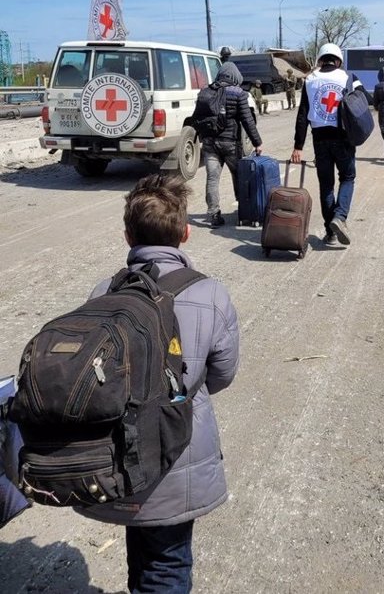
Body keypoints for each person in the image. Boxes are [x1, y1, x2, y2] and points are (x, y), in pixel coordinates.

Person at [77, 174, 240, 594]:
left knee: (141, 551)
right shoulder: (211, 294)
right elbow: (222, 373)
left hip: (116, 456)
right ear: (185, 234)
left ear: (128, 235)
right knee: (168, 563)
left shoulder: (103, 291)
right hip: (175, 452)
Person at [291, 42, 364, 246]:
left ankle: (330, 233)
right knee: (348, 177)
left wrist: (298, 146)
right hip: (343, 137)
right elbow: (363, 99)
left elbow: (302, 115)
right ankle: (339, 217)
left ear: (320, 59)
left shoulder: (310, 80)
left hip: (320, 139)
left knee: (326, 185)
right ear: (338, 60)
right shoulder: (349, 77)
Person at [193, 62, 262, 228]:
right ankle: (244, 213)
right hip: (230, 143)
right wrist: (257, 142)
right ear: (235, 76)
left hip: (209, 143)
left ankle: (214, 215)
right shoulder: (239, 93)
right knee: (240, 177)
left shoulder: (206, 91)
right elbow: (247, 121)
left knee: (212, 179)